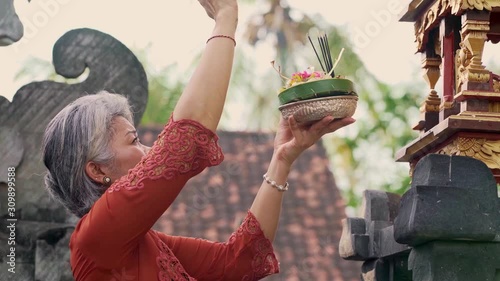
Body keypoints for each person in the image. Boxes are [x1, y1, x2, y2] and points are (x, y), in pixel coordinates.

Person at [42, 0, 355, 280]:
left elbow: (240, 262)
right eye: (134, 141)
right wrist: (225, 19)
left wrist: (282, 159)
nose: (149, 149)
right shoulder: (94, 239)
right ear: (97, 171)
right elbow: (186, 139)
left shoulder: (148, 244)